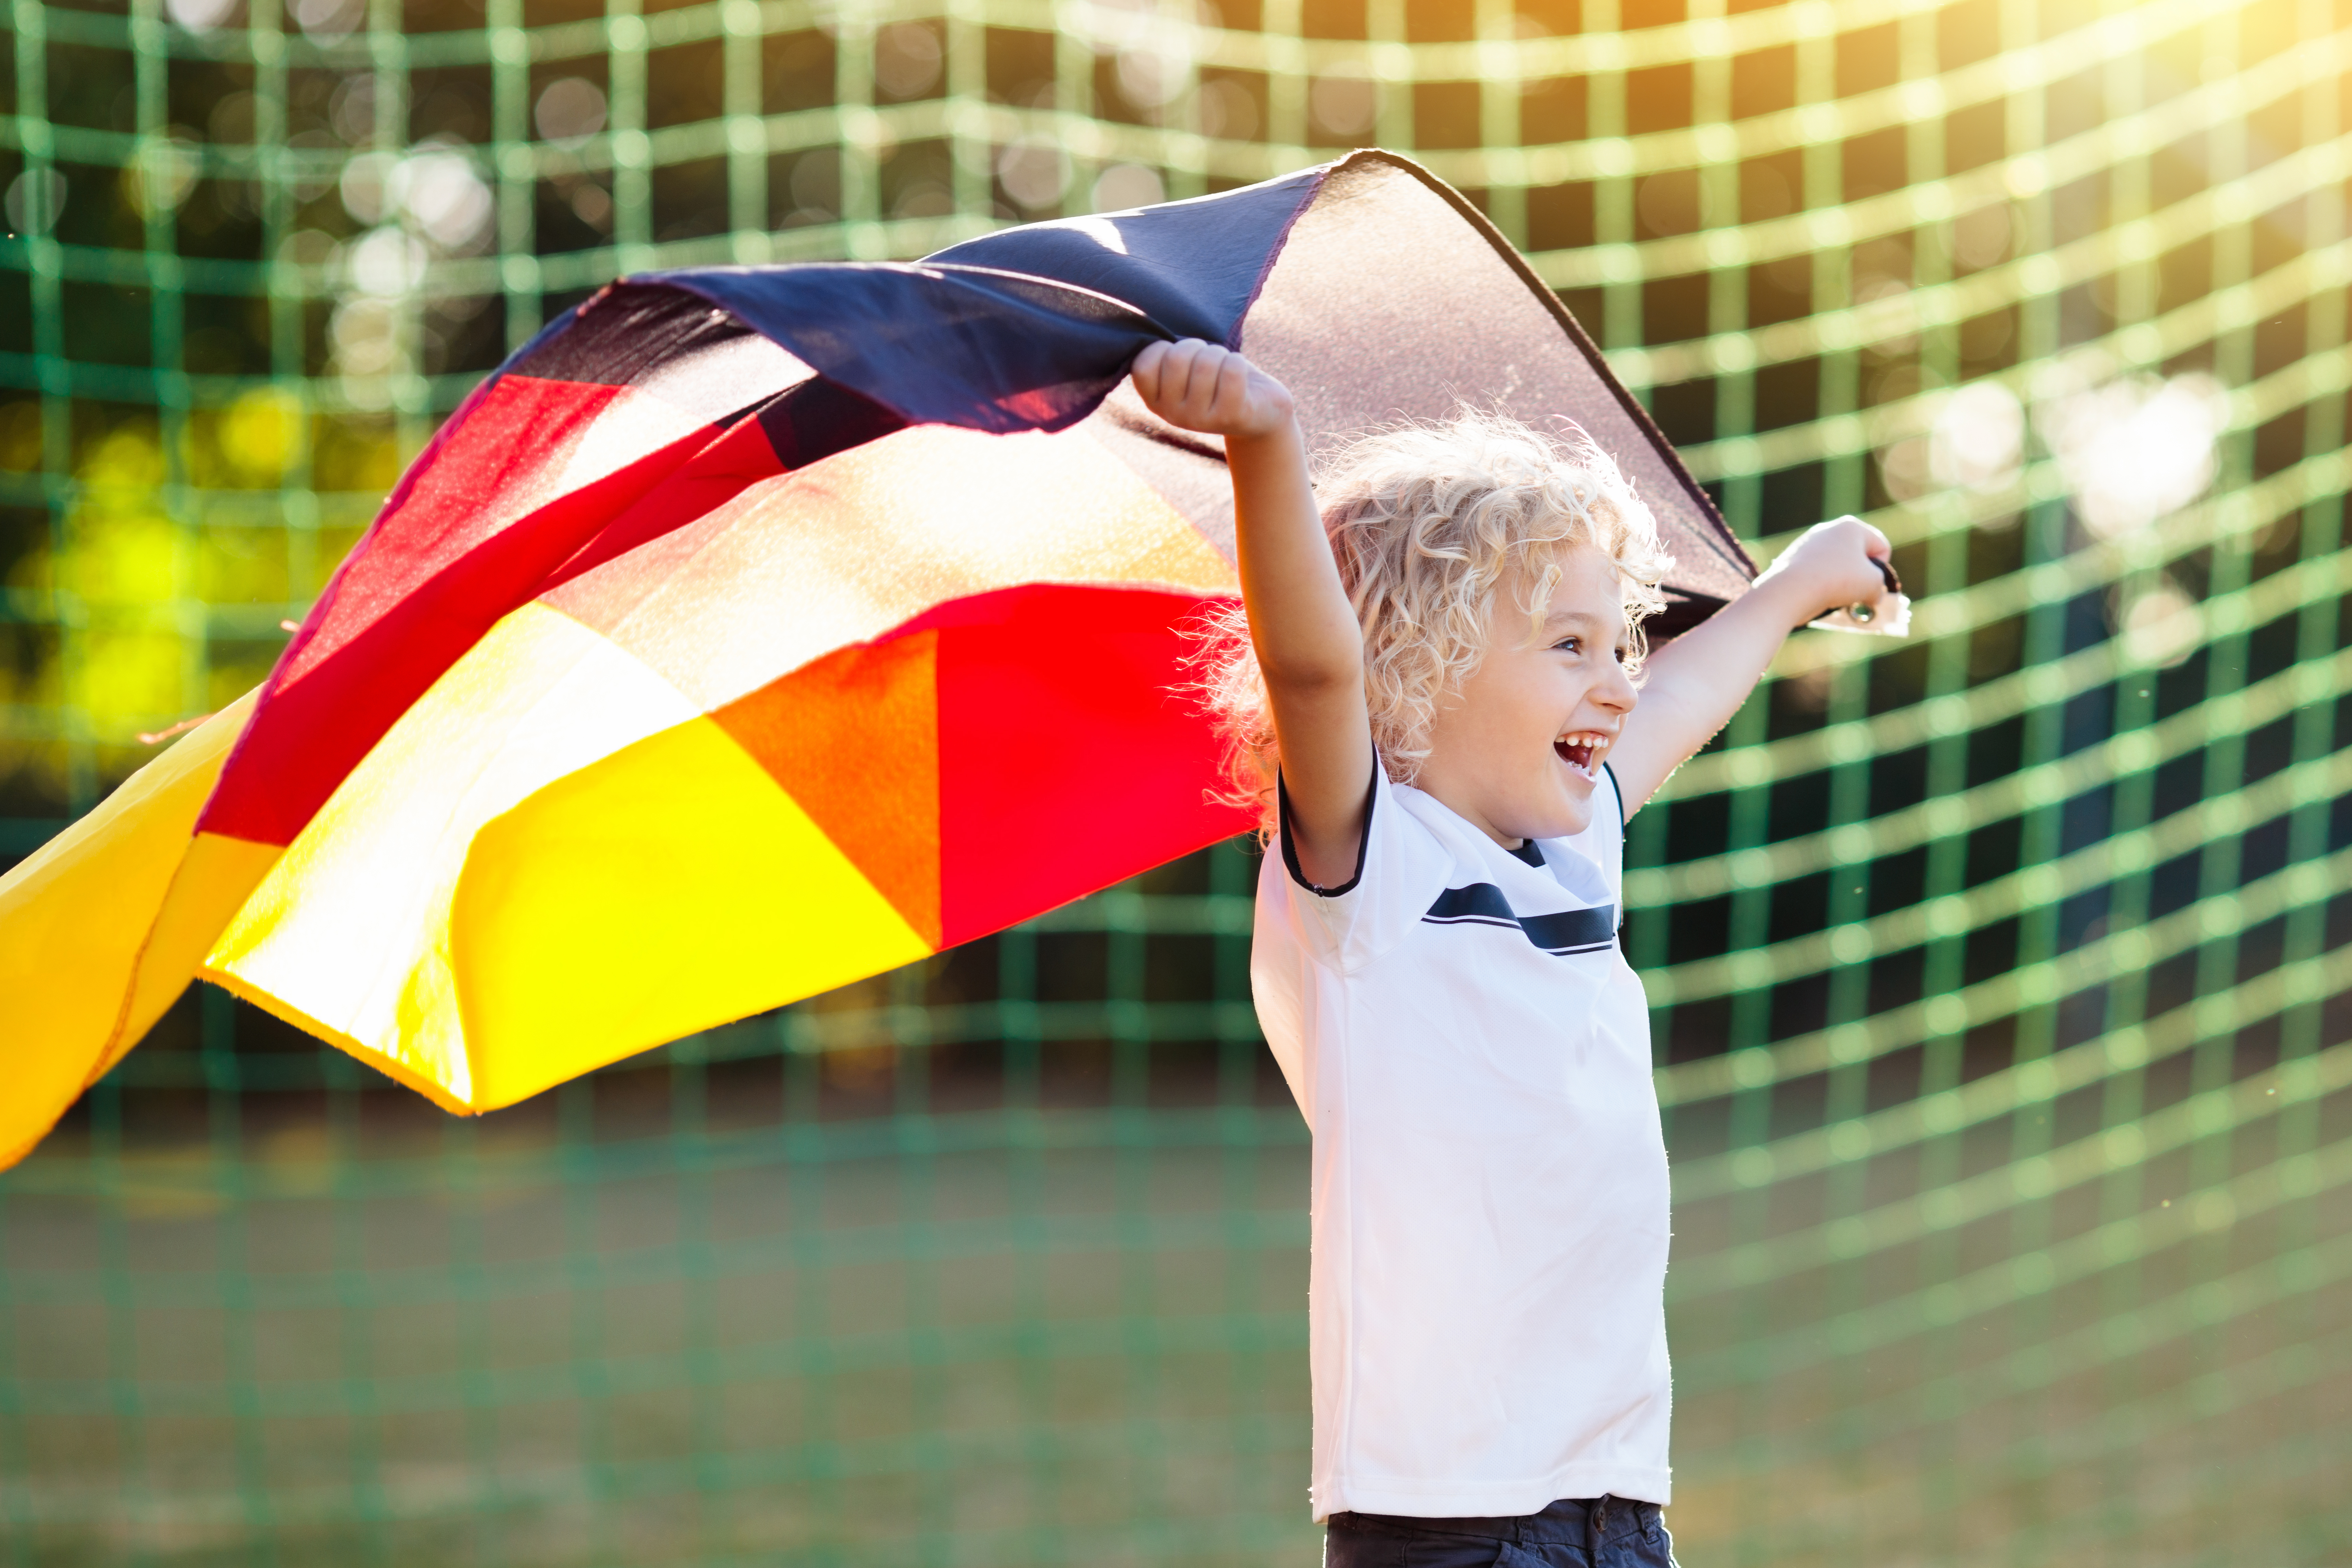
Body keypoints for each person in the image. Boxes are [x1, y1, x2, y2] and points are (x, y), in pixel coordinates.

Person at [1128, 338, 1897, 1567]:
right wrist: (1263, 443)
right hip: (1449, 1522)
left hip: (1615, 1501)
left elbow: (1686, 698)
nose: (1616, 685)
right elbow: (1315, 672)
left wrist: (1794, 584)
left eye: (1618, 642)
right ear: (1416, 670)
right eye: (1567, 647)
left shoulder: (1575, 844)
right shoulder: (1372, 872)